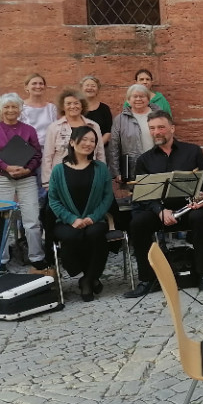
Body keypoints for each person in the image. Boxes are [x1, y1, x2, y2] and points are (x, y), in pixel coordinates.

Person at [124, 111, 203, 297]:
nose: (156, 132)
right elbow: (142, 195)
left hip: (189, 209)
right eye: (152, 128)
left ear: (172, 128)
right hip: (160, 212)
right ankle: (147, 279)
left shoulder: (192, 151)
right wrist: (160, 211)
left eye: (161, 127)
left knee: (200, 218)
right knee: (137, 223)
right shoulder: (144, 160)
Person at [47, 126, 114, 302]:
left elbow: (107, 197)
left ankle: (87, 279)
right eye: (84, 139)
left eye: (92, 141)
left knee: (95, 233)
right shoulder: (58, 171)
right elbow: (53, 200)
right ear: (72, 142)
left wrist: (93, 217)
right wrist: (72, 219)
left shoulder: (100, 168)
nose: (88, 144)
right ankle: (86, 275)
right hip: (66, 220)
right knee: (71, 236)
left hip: (95, 219)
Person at [0, 93, 46, 271]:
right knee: (2, 221)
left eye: (14, 107)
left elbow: (36, 154)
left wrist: (28, 169)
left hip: (26, 179)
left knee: (32, 219)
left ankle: (36, 256)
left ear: (20, 109)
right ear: (1, 109)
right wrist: (6, 167)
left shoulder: (28, 130)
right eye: (7, 107)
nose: (11, 110)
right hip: (1, 178)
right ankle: (0, 259)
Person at [41, 88, 105, 188]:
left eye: (76, 103)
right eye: (68, 103)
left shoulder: (93, 126)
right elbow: (47, 156)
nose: (73, 106)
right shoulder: (54, 127)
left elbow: (100, 153)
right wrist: (48, 183)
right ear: (62, 106)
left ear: (82, 105)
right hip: (62, 178)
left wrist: (102, 177)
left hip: (89, 177)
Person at [108, 84, 159, 185]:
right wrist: (116, 171)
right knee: (135, 196)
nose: (138, 99)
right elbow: (114, 146)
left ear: (148, 99)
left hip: (157, 163)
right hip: (132, 167)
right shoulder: (120, 119)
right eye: (135, 96)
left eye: (142, 96)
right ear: (128, 100)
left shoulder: (159, 115)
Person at [20, 73, 58, 149]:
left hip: (48, 150)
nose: (38, 86)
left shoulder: (51, 108)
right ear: (26, 87)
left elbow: (56, 130)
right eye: (34, 83)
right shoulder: (20, 108)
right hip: (28, 151)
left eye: (41, 84)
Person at [80, 76, 112, 146]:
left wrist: (97, 146)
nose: (90, 88)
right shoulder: (77, 108)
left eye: (93, 86)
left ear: (98, 89)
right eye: (87, 85)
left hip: (101, 149)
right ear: (81, 88)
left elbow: (108, 131)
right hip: (79, 150)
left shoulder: (104, 108)